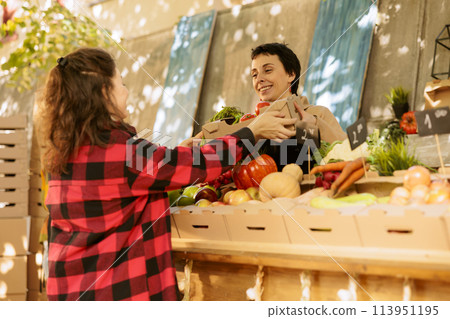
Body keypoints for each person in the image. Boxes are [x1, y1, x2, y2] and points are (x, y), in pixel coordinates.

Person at [39, 47, 297, 301]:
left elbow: (147, 171)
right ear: (104, 93)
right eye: (122, 83)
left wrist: (173, 156)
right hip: (116, 293)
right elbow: (196, 164)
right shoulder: (120, 152)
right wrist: (251, 133)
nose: (127, 91)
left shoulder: (67, 153)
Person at [250, 42, 346, 170]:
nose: (259, 79)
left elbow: (346, 153)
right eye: (254, 75)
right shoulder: (252, 123)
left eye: (267, 70)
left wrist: (315, 125)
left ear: (291, 74)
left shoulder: (318, 113)